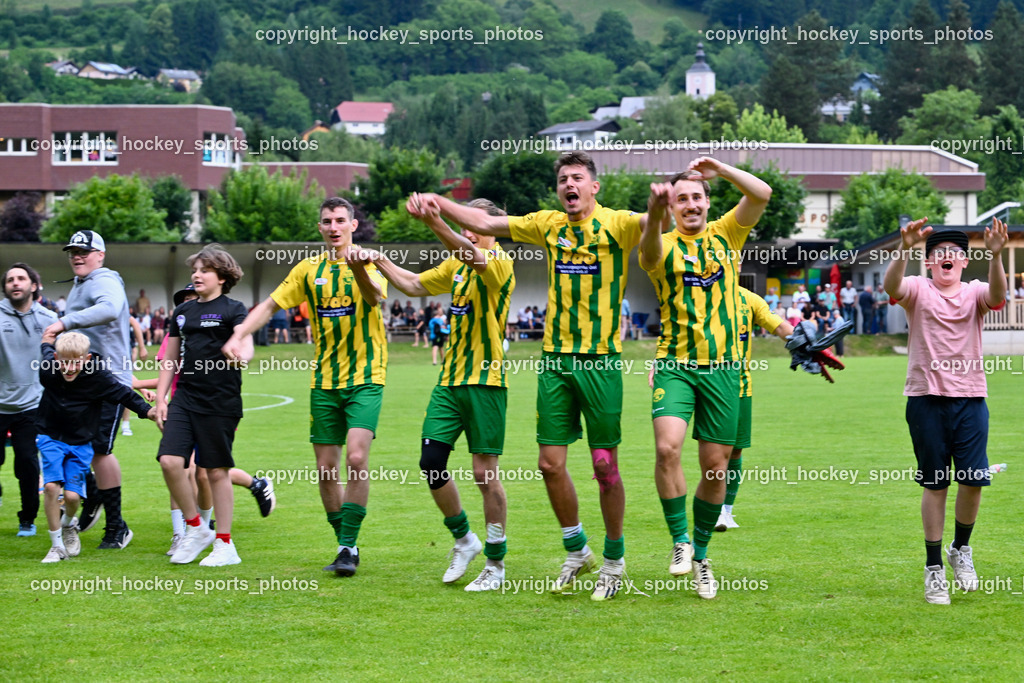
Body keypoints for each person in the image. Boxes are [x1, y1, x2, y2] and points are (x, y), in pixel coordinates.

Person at [412, 150, 668, 601]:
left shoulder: (619, 223)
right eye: (563, 178)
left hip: (601, 362)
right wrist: (439, 203)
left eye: (577, 178)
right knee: (549, 465)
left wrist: (658, 206)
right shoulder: (547, 224)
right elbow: (486, 223)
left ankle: (614, 560)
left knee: (604, 467)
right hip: (554, 362)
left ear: (594, 186)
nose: (569, 184)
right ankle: (577, 549)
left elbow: (655, 232)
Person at [222, 197, 387, 577]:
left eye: (340, 220)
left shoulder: (368, 262)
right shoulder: (308, 269)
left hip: (366, 377)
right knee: (326, 469)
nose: (333, 227)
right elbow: (269, 305)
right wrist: (239, 334)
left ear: (353, 225)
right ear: (320, 227)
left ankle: (348, 544)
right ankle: (345, 544)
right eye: (327, 221)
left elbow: (375, 297)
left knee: (356, 459)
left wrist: (358, 268)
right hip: (324, 382)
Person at [638, 157, 772, 600]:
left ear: (708, 202)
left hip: (724, 370)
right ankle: (679, 540)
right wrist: (654, 212)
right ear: (672, 207)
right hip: (675, 365)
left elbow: (762, 194)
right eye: (681, 199)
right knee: (667, 449)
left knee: (716, 467)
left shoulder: (727, 234)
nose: (691, 205)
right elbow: (648, 253)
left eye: (697, 197)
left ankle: (701, 555)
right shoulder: (662, 244)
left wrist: (724, 170)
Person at [378, 196, 516, 591]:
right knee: (431, 462)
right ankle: (464, 539)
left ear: (493, 229)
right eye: (464, 224)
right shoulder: (455, 264)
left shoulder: (500, 262)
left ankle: (496, 564)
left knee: (484, 475)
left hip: (486, 381)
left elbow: (473, 256)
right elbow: (413, 284)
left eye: (475, 224)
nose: (469, 230)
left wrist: (434, 222)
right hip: (449, 382)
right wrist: (378, 261)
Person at [884, 217, 1007, 604]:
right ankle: (934, 568)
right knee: (935, 484)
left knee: (973, 480)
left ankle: (961, 548)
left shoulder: (975, 292)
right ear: (930, 262)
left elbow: (999, 296)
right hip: (925, 399)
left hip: (970, 398)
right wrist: (904, 248)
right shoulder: (918, 289)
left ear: (965, 261)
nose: (947, 257)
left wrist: (997, 256)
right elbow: (891, 286)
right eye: (939, 253)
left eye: (954, 252)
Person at [155, 245, 252, 566]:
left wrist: (241, 353)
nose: (197, 275)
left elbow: (245, 341)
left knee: (215, 472)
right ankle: (196, 528)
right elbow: (170, 358)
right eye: (194, 270)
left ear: (222, 277)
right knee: (170, 461)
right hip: (185, 398)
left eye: (204, 270)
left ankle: (225, 544)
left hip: (221, 400)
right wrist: (161, 398)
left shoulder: (234, 309)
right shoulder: (182, 312)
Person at [42, 231, 135, 549]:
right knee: (81, 445)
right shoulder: (82, 283)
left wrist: (64, 323)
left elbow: (110, 308)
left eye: (84, 251)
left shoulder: (103, 279)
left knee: (99, 450)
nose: (77, 256)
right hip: (85, 380)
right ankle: (92, 494)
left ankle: (117, 525)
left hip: (106, 381)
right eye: (72, 252)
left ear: (100, 254)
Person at [36, 330, 156, 562]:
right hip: (50, 436)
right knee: (51, 487)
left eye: (76, 362)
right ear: (57, 359)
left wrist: (147, 411)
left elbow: (123, 394)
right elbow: (46, 350)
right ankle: (56, 547)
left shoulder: (98, 376)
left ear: (87, 359)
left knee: (72, 498)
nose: (69, 368)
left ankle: (68, 524)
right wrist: (46, 341)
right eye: (64, 362)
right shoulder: (48, 370)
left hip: (81, 442)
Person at [712, 287, 793, 531]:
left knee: (735, 451)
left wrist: (807, 342)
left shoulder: (749, 299)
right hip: (709, 384)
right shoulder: (702, 294)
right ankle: (714, 509)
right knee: (716, 452)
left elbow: (779, 326)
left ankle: (727, 511)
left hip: (740, 386)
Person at [1, 263, 58, 536]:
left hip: (31, 405)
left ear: (33, 286)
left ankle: (27, 518)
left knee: (26, 462)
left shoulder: (49, 319)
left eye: (21, 278)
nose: (15, 283)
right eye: (10, 279)